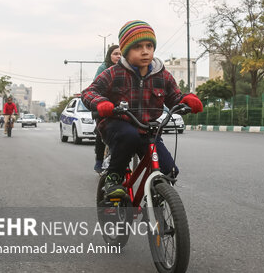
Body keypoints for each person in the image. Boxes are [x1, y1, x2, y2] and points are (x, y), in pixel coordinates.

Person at [82, 20, 203, 199]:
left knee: (168, 170)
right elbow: (89, 92)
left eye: (149, 46)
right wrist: (100, 103)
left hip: (147, 129)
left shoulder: (162, 75)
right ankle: (113, 179)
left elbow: (174, 97)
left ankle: (157, 199)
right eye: (138, 46)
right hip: (117, 126)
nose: (145, 51)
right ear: (125, 50)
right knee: (128, 136)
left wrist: (186, 100)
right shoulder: (114, 73)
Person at [92, 44, 122, 173]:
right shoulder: (104, 68)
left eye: (121, 54)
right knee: (101, 132)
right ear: (110, 55)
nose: (119, 56)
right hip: (105, 105)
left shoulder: (128, 68)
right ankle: (99, 160)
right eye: (116, 54)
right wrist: (102, 103)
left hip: (122, 105)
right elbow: (95, 89)